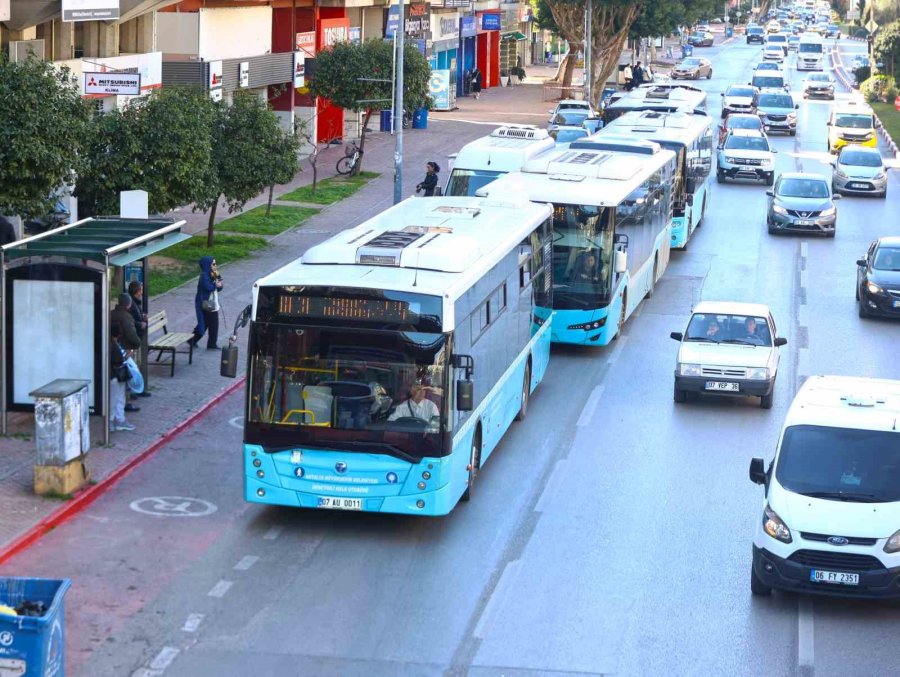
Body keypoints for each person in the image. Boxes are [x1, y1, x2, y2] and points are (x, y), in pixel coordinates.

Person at [189, 256, 223, 350]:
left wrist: (219, 284)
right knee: (213, 322)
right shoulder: (204, 275)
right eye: (213, 264)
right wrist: (215, 285)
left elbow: (220, 287)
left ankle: (193, 340)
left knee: (207, 322)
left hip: (212, 301)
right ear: (208, 264)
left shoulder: (214, 272)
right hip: (205, 302)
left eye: (215, 263)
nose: (215, 265)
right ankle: (211, 344)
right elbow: (208, 287)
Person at [126, 281, 151, 398]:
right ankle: (134, 390)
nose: (142, 292)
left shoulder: (135, 303)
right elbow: (130, 320)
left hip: (136, 338)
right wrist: (141, 323)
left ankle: (137, 389)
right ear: (136, 292)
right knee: (133, 365)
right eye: (140, 290)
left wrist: (143, 317)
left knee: (136, 364)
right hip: (133, 339)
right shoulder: (131, 304)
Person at [109, 323, 135, 432]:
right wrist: (127, 356)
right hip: (116, 376)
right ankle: (114, 421)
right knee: (116, 399)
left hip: (115, 376)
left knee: (117, 398)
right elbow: (119, 360)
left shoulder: (111, 344)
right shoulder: (113, 345)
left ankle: (118, 419)